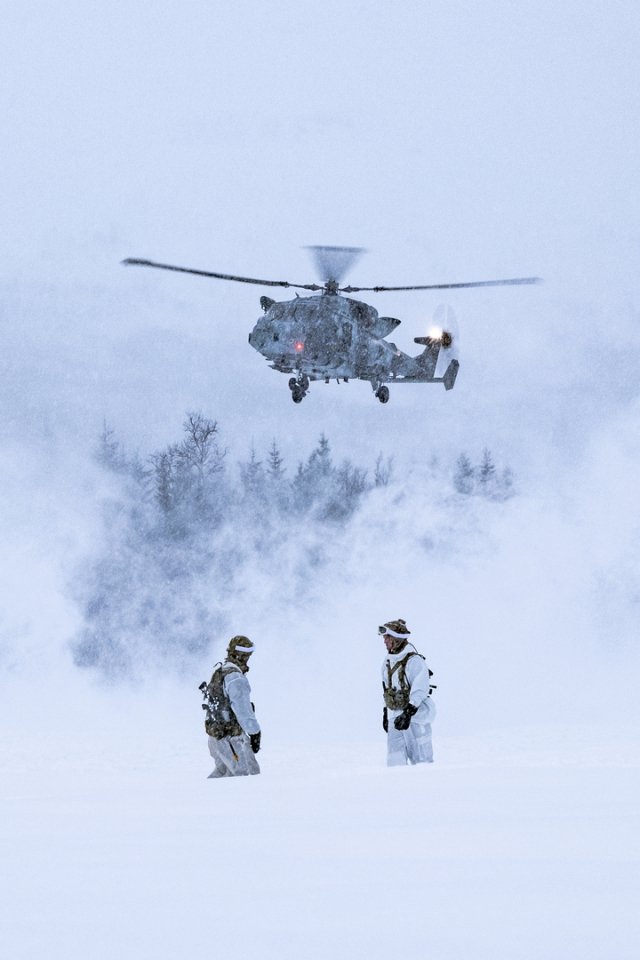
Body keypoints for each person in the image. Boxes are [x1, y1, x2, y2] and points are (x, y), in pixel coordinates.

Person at [202, 635, 262, 778]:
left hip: (216, 738)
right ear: (242, 656)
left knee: (224, 775)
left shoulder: (220, 672)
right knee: (247, 776)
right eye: (248, 655)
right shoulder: (235, 678)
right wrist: (255, 733)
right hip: (233, 740)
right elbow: (243, 710)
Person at [380, 619, 435, 766]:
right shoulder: (387, 662)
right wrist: (386, 713)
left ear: (397, 639)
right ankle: (398, 787)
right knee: (394, 760)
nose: (384, 641)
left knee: (422, 760)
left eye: (388, 637)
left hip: (416, 717)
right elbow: (386, 688)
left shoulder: (414, 661)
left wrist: (408, 713)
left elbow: (420, 688)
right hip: (395, 716)